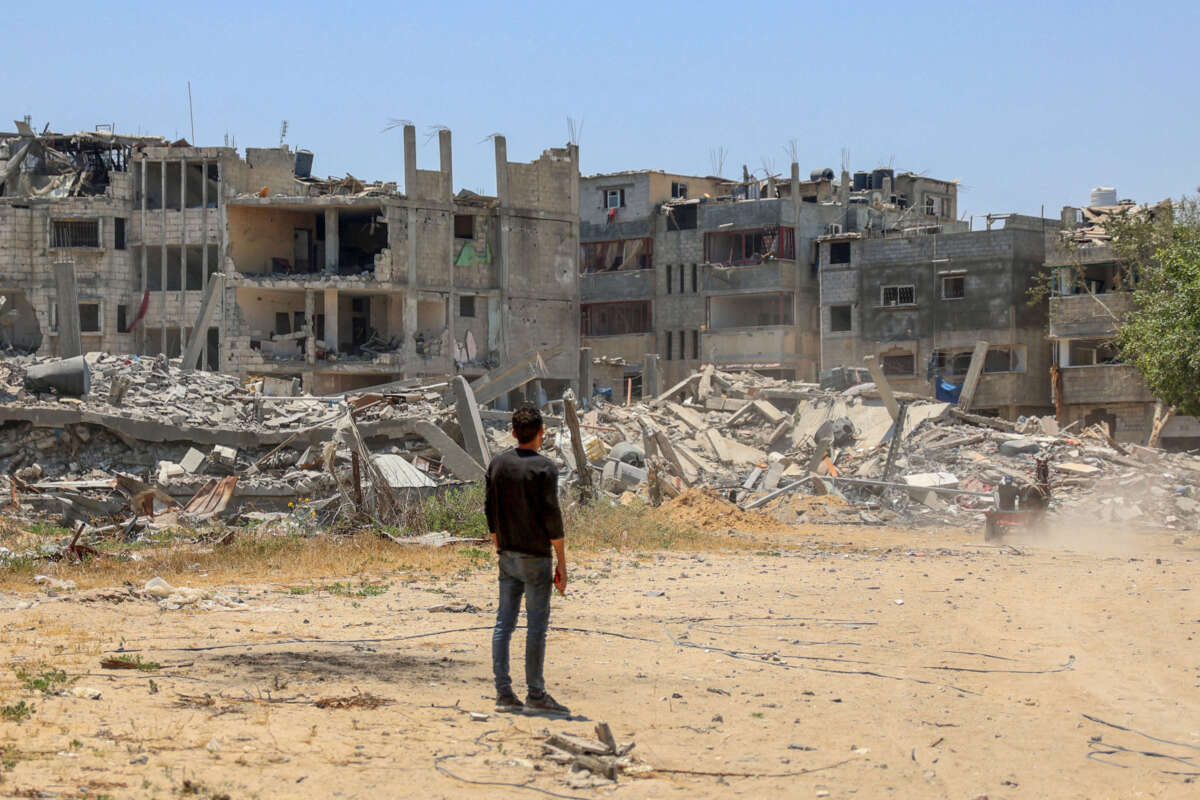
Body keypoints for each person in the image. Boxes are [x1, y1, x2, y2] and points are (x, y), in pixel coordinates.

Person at [485, 405, 569, 715]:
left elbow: (489, 513)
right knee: (536, 627)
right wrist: (561, 562)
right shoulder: (544, 469)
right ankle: (536, 693)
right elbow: (552, 518)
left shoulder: (497, 464)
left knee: (503, 624)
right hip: (536, 557)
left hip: (507, 555)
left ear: (513, 433)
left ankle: (503, 693)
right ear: (541, 433)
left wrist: (500, 547)